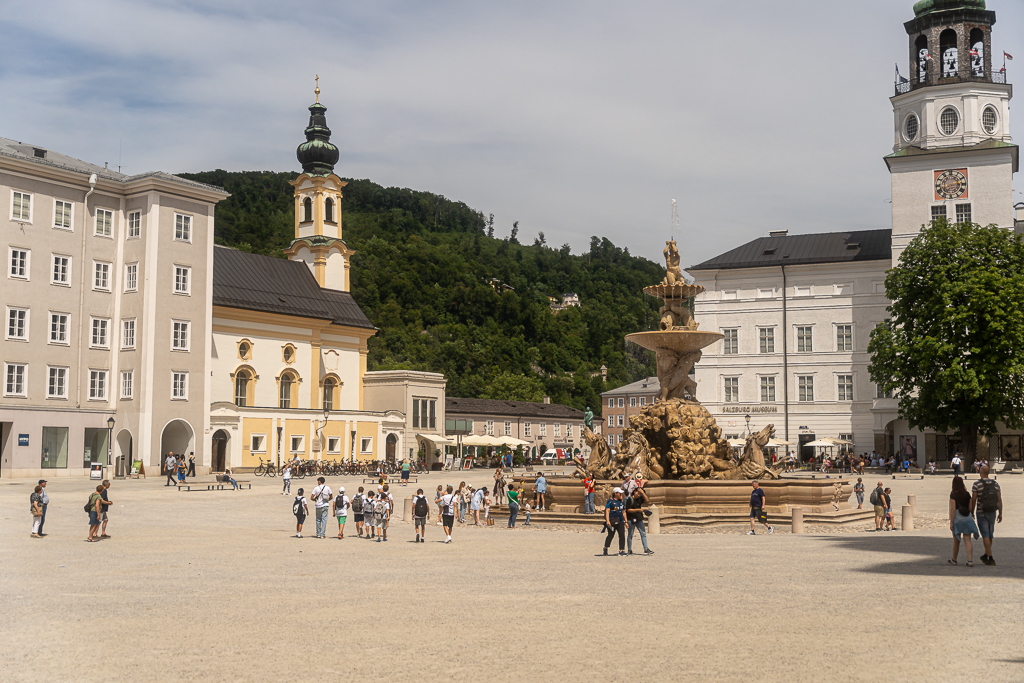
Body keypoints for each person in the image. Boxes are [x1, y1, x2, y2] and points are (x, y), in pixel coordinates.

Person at [970, 465, 1003, 566]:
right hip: (993, 511)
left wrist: (971, 511)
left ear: (980, 472)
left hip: (981, 512)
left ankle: (991, 557)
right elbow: (999, 499)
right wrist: (1000, 512)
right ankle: (986, 554)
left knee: (985, 534)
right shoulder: (995, 484)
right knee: (990, 534)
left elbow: (974, 499)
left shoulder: (977, 484)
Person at [949, 476, 980, 567]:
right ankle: (970, 560)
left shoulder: (953, 494)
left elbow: (953, 509)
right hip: (967, 518)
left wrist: (951, 521)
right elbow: (970, 508)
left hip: (958, 519)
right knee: (967, 540)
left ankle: (954, 560)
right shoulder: (967, 494)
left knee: (956, 540)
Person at [625, 482, 653, 555]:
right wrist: (638, 510)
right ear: (634, 492)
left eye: (640, 494)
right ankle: (629, 550)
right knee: (630, 535)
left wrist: (643, 493)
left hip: (639, 518)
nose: (639, 495)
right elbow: (628, 510)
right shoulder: (629, 499)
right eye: (638, 493)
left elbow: (647, 501)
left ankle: (646, 549)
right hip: (631, 518)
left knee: (643, 534)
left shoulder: (640, 498)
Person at [603, 487, 627, 556]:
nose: (621, 494)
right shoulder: (610, 501)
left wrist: (626, 522)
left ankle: (621, 550)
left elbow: (624, 512)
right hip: (612, 521)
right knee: (610, 535)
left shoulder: (621, 502)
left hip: (620, 521)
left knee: (622, 535)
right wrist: (607, 521)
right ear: (615, 493)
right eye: (620, 493)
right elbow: (607, 511)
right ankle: (605, 548)